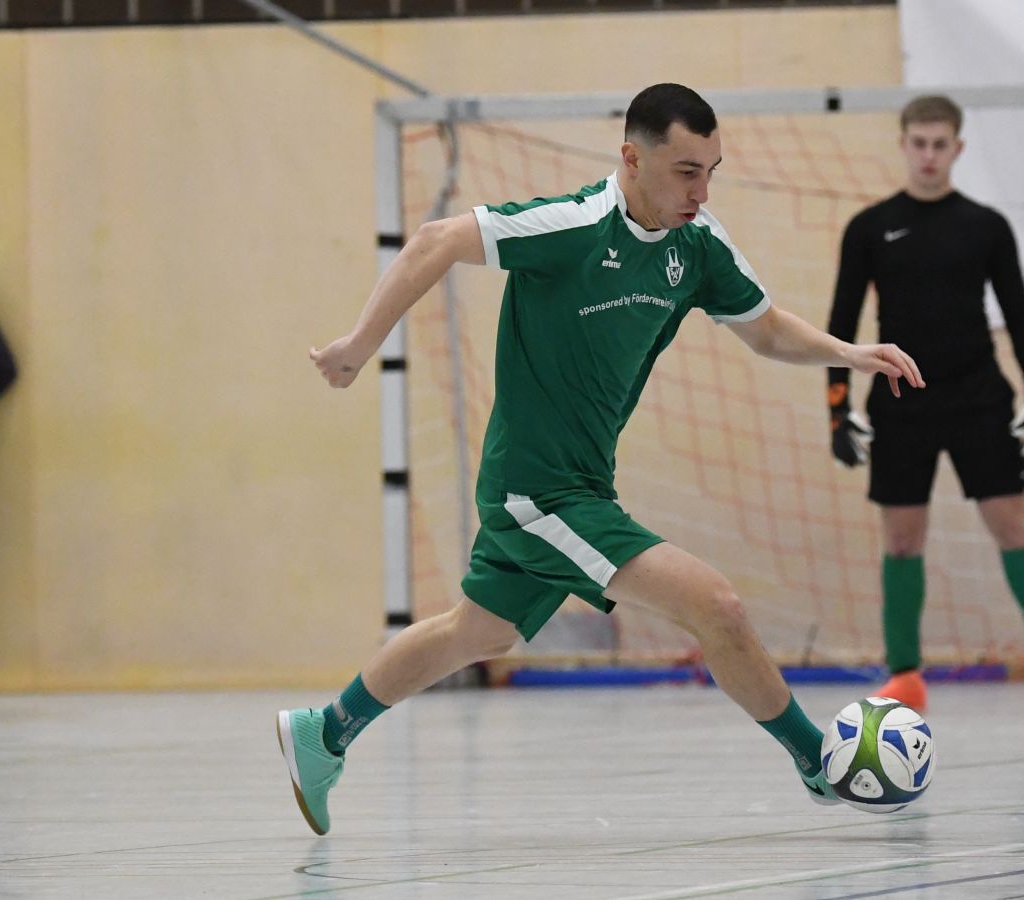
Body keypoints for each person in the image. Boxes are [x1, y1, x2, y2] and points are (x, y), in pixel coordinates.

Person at [277, 83, 924, 835]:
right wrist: (360, 346)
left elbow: (767, 328)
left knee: (478, 632)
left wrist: (850, 353)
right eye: (686, 172)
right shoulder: (575, 226)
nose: (701, 191)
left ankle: (322, 735)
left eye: (711, 171)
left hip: (581, 484)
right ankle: (819, 764)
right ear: (632, 159)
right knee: (717, 606)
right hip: (537, 492)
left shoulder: (697, 245)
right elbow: (434, 240)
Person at [825, 95, 1024, 712]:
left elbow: (1020, 317)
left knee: (1013, 525)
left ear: (957, 148)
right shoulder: (868, 228)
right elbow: (841, 323)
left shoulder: (986, 226)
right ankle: (905, 674)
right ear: (903, 145)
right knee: (901, 540)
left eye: (939, 145)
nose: (928, 155)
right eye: (918, 144)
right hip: (900, 401)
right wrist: (837, 409)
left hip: (978, 398)